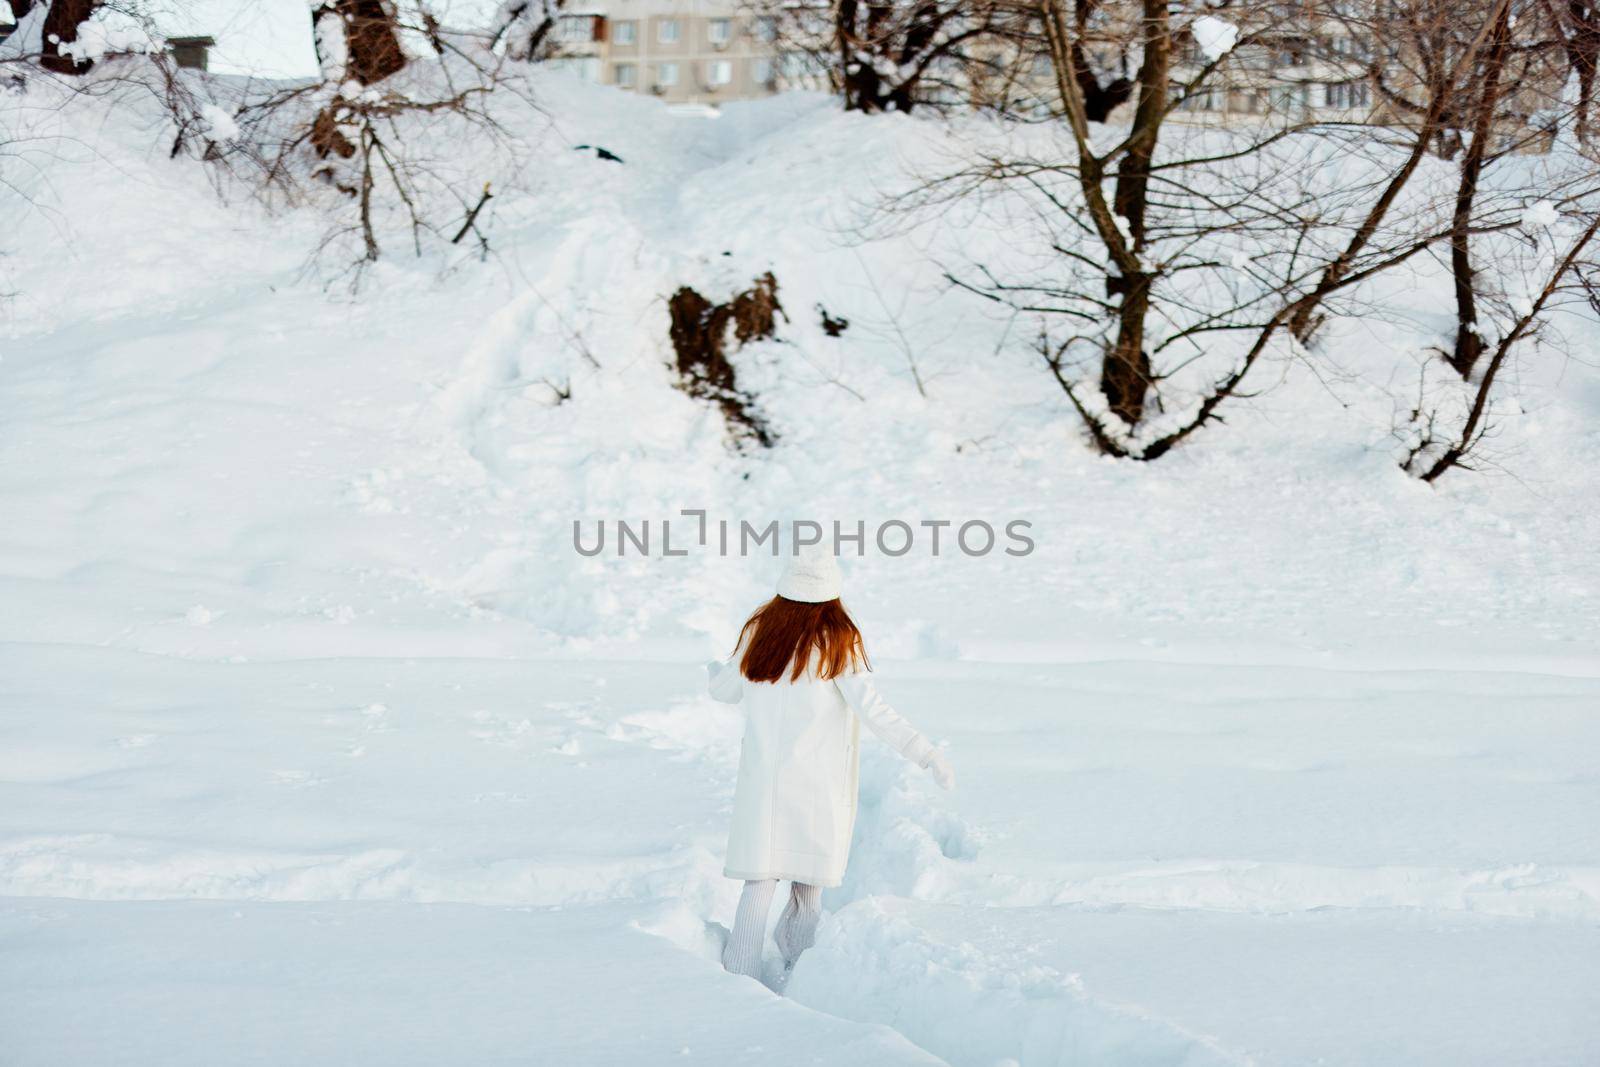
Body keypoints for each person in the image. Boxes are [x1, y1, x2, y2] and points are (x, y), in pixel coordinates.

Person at [705, 546, 954, 980]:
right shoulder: (838, 640)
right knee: (807, 886)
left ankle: (737, 975)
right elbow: (873, 709)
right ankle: (798, 973)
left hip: (764, 781)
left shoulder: (760, 631)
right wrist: (924, 752)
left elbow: (725, 690)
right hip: (815, 786)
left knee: (759, 882)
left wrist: (713, 671)